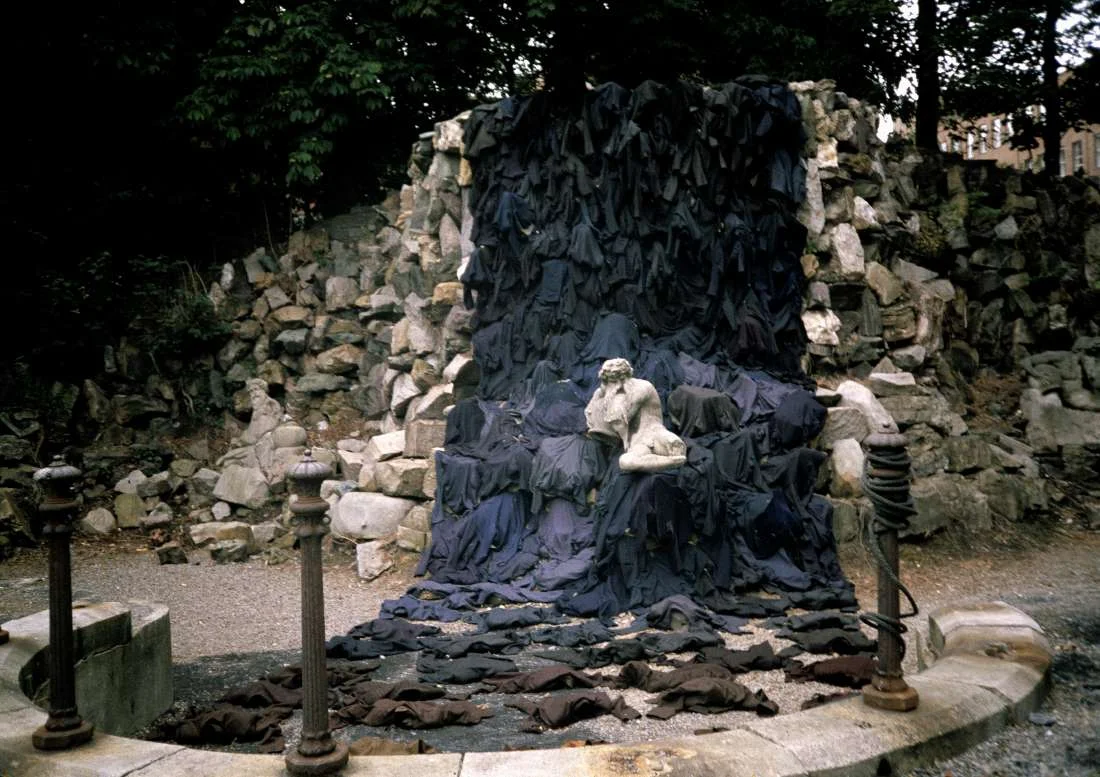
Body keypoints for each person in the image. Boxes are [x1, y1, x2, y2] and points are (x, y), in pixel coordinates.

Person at [585, 358, 686, 472]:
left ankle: (672, 461)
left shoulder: (642, 388)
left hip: (655, 433)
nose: (612, 385)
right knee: (626, 462)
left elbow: (621, 417)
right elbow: (592, 418)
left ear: (625, 378)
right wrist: (600, 396)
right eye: (608, 381)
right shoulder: (605, 392)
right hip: (637, 442)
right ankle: (670, 462)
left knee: (675, 446)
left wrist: (609, 398)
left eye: (615, 381)